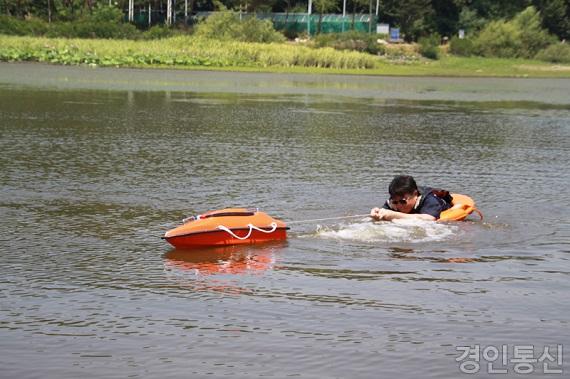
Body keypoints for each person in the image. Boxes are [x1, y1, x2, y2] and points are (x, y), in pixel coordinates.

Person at [370, 175, 452, 221]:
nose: (399, 206)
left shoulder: (430, 200)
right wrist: (377, 212)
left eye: (403, 202)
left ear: (415, 194)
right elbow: (384, 212)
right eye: (395, 202)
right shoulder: (392, 202)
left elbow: (430, 219)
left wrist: (394, 215)